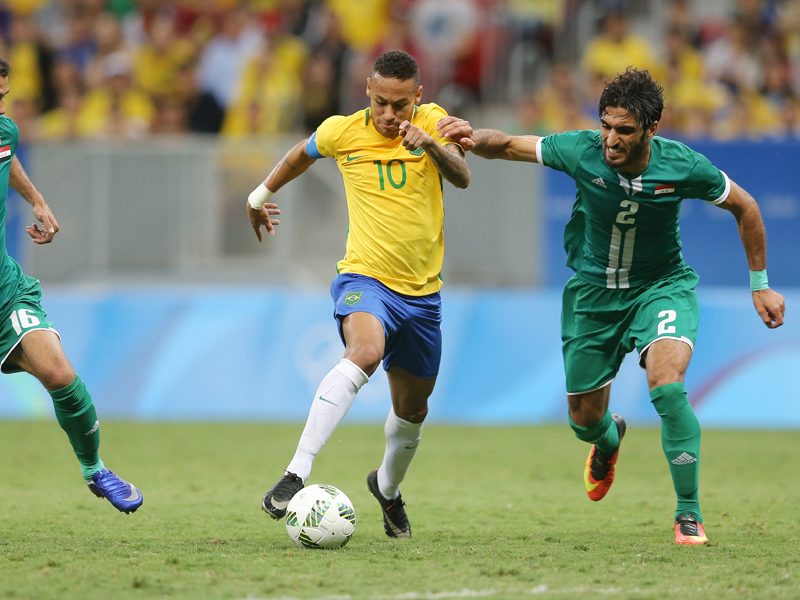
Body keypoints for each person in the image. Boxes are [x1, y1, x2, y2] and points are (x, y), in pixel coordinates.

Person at [437, 67, 785, 545]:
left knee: (667, 385)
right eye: (605, 125)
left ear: (651, 129)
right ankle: (608, 438)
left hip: (660, 287)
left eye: (624, 130)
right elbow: (511, 145)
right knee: (583, 420)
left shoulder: (682, 165)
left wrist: (760, 284)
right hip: (593, 296)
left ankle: (688, 513)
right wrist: (470, 137)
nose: (611, 139)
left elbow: (746, 206)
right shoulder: (581, 149)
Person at [247, 50, 470, 538]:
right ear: (368, 91)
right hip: (364, 279)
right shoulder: (341, 131)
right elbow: (298, 155)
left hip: (422, 296)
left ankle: (387, 489)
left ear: (418, 97)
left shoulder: (434, 122)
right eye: (381, 102)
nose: (390, 114)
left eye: (400, 105)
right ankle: (295, 472)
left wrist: (431, 146)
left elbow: (462, 175)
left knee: (412, 412)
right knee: (365, 351)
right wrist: (259, 196)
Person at [0, 58, 143, 513]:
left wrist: (36, 199)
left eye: (3, 96)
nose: (0, 107)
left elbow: (6, 156)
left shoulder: (4, 130)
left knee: (60, 373)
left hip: (5, 290)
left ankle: (94, 468)